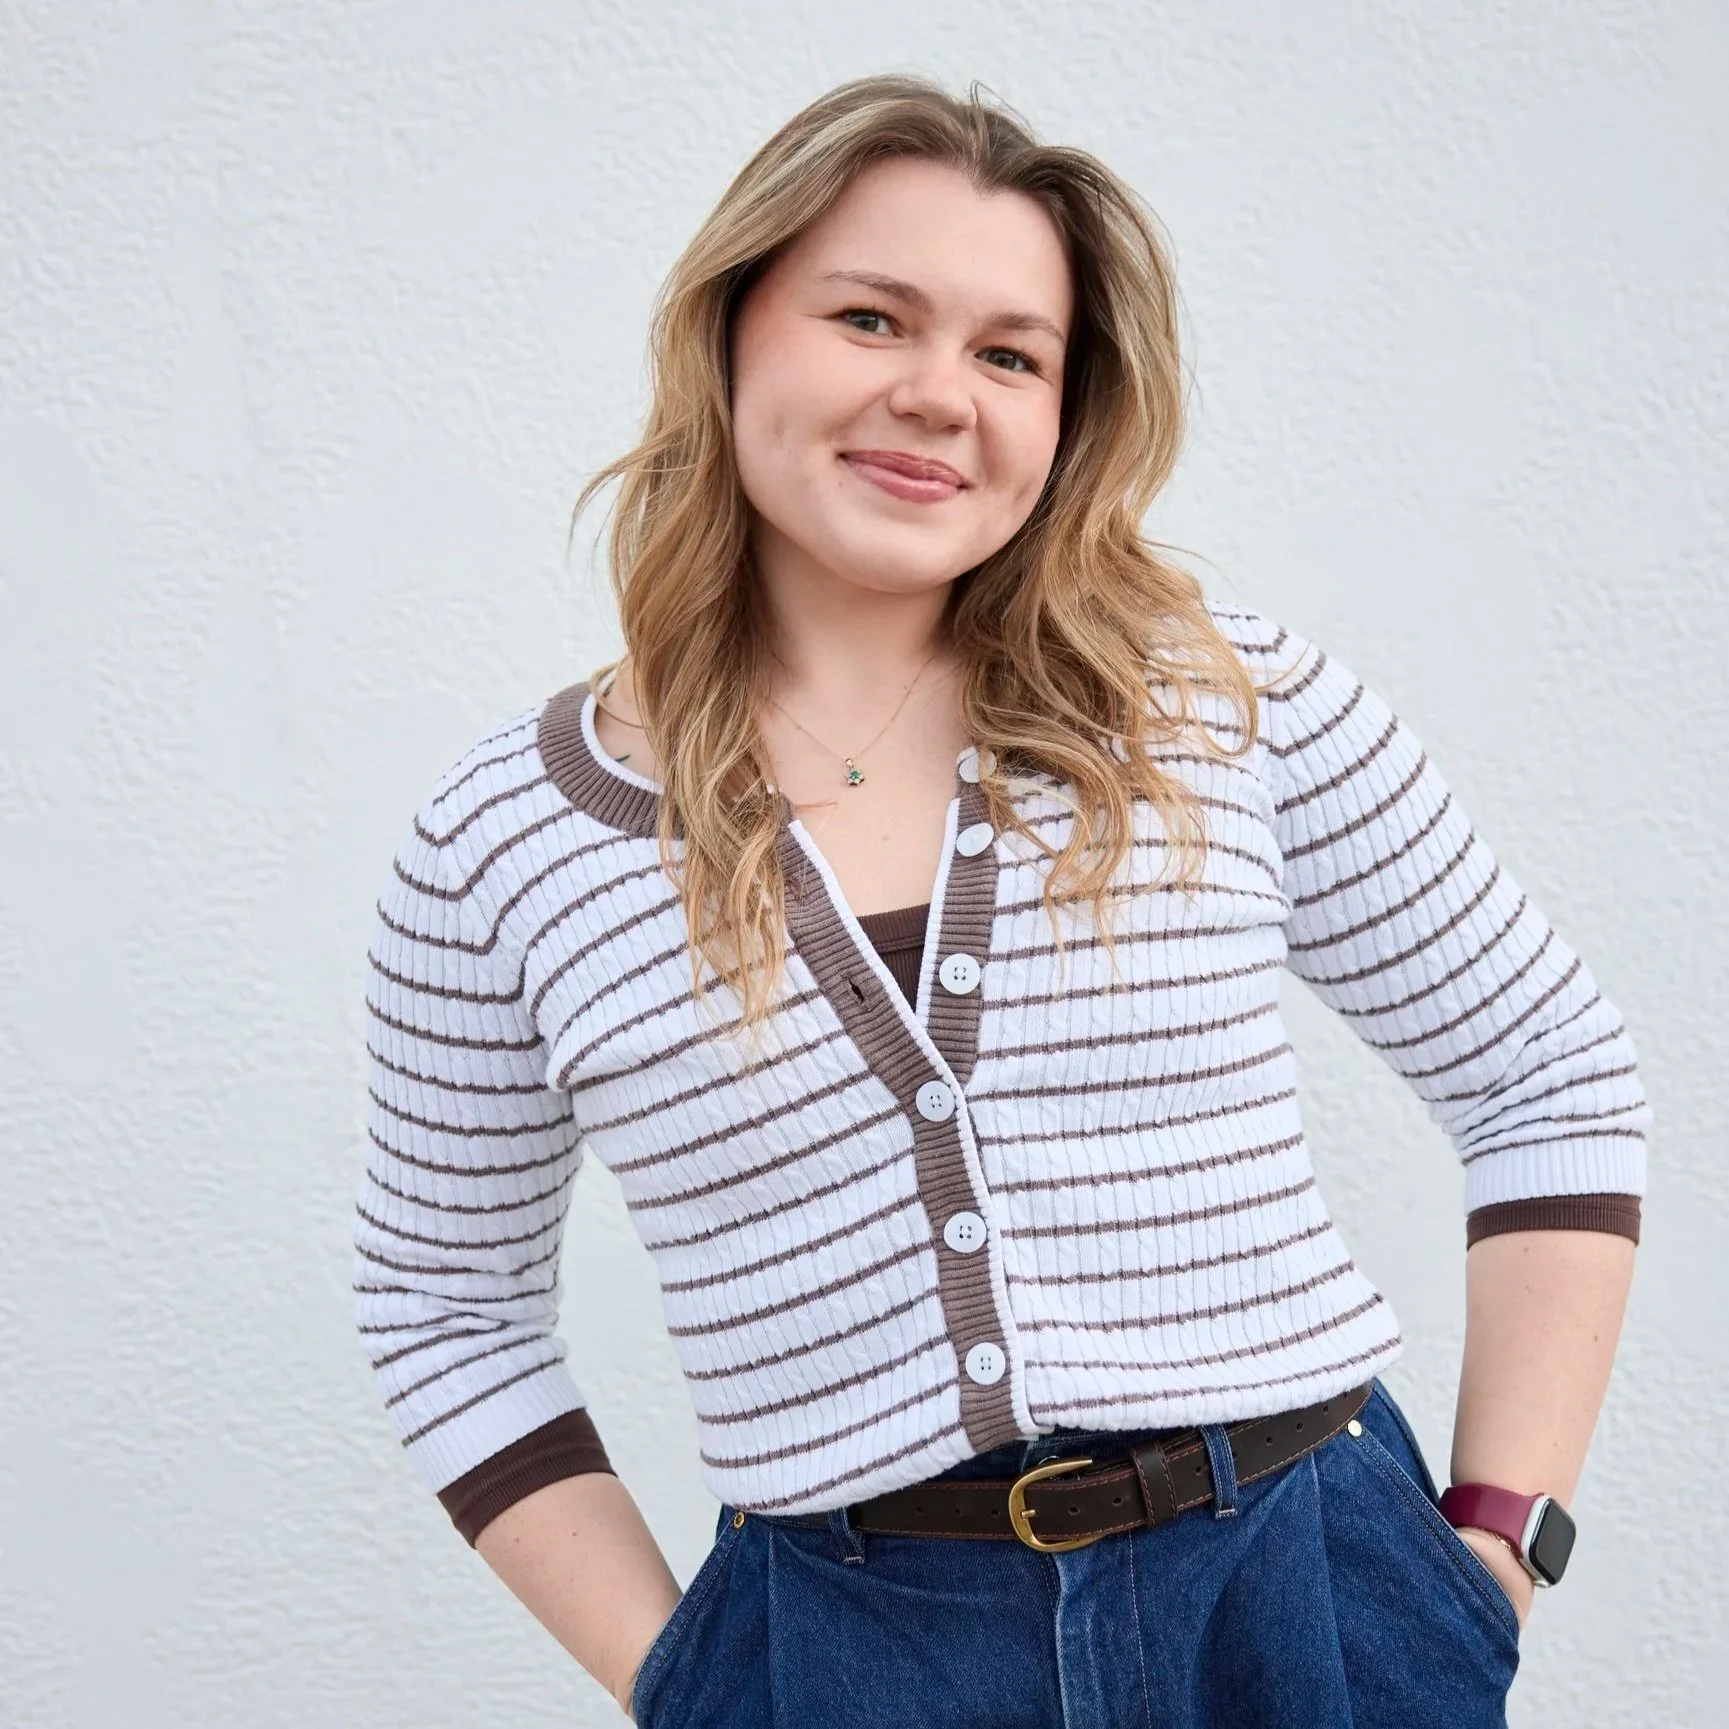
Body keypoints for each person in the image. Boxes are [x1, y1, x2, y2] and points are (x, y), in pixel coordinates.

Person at [353, 75, 1649, 1728]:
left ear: (1066, 412)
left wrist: (1492, 1541)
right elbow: (441, 1304)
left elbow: (1552, 1077)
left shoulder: (1221, 707)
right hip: (847, 1648)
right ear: (734, 329)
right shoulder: (505, 843)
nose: (936, 396)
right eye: (872, 315)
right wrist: (687, 1687)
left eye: (1008, 354)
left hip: (1310, 1598)